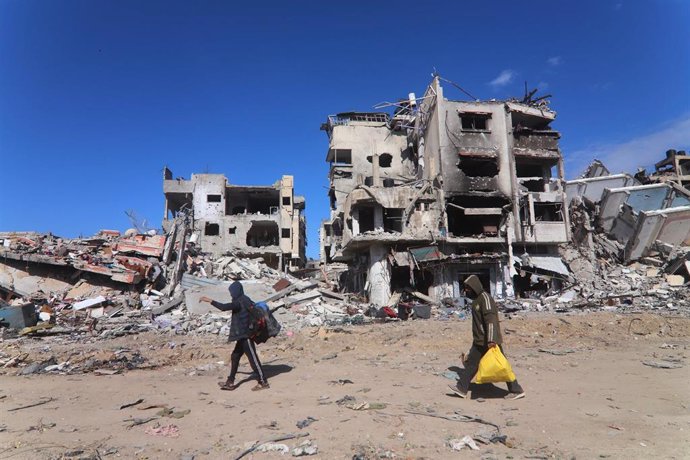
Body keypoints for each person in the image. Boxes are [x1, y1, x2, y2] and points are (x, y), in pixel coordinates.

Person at [449, 275, 525, 400]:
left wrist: (491, 339)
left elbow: (491, 320)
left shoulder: (485, 299)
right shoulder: (477, 300)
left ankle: (516, 390)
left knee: (502, 365)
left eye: (468, 288)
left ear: (474, 287)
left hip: (488, 340)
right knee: (472, 365)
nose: (466, 291)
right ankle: (462, 388)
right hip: (479, 340)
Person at [200, 281, 269, 391]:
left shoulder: (240, 301)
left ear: (236, 291)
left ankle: (263, 381)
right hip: (242, 335)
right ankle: (230, 381)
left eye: (232, 292)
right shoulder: (245, 299)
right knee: (235, 356)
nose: (231, 294)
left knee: (253, 359)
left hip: (246, 336)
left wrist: (209, 300)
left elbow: (223, 307)